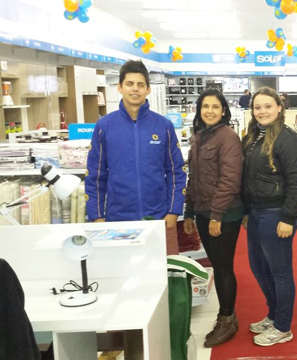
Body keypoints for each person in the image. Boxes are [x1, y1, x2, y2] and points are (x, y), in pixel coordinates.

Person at [85, 60, 186, 360]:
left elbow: (176, 171)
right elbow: (96, 175)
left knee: (162, 282)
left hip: (158, 219)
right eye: (129, 84)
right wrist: (98, 215)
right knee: (121, 285)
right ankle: (121, 344)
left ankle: (163, 340)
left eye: (140, 84)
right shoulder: (104, 127)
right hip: (118, 220)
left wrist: (173, 211)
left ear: (147, 89)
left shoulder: (162, 126)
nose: (135, 89)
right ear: (120, 87)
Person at [242, 87, 297, 347]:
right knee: (259, 268)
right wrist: (247, 211)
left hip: (276, 212)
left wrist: (289, 217)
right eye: (258, 107)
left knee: (280, 272)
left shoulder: (287, 138)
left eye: (268, 106)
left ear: (279, 108)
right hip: (256, 211)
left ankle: (283, 326)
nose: (262, 111)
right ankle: (272, 314)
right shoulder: (253, 136)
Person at [183, 89, 244, 347]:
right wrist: (189, 211)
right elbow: (193, 177)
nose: (209, 110)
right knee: (218, 266)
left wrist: (217, 215)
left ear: (223, 110)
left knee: (223, 266)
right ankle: (226, 316)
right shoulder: (198, 137)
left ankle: (227, 318)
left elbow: (230, 180)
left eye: (214, 106)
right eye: (204, 106)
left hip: (224, 214)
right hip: (202, 211)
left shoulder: (228, 137)